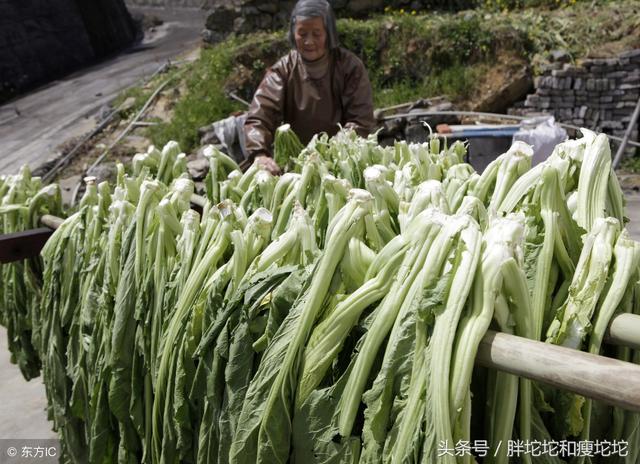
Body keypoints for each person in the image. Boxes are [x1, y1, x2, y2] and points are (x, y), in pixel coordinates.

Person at [243, 0, 376, 174]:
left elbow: (361, 120)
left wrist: (332, 148)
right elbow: (259, 115)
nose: (309, 41)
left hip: (342, 160)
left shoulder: (349, 67)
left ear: (329, 33)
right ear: (293, 33)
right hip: (295, 163)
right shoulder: (284, 69)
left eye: (317, 33)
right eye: (302, 33)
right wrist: (259, 153)